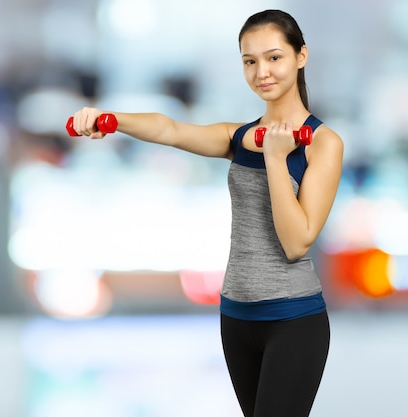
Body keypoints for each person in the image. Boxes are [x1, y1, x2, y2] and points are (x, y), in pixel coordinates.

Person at [69, 8, 343, 417]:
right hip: (236, 317)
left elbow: (296, 241)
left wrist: (274, 159)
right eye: (250, 61)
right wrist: (110, 120)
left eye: (273, 57)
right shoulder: (237, 136)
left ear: (300, 56)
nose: (262, 72)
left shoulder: (323, 143)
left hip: (293, 320)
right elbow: (171, 129)